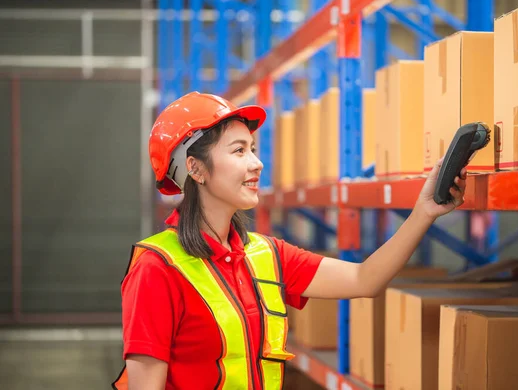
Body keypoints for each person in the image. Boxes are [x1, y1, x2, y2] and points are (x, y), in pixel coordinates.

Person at [112, 92, 467, 390]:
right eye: (238, 151)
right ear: (196, 168)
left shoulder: (267, 254)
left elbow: (365, 279)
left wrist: (423, 212)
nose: (257, 163)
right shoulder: (158, 267)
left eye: (252, 149)